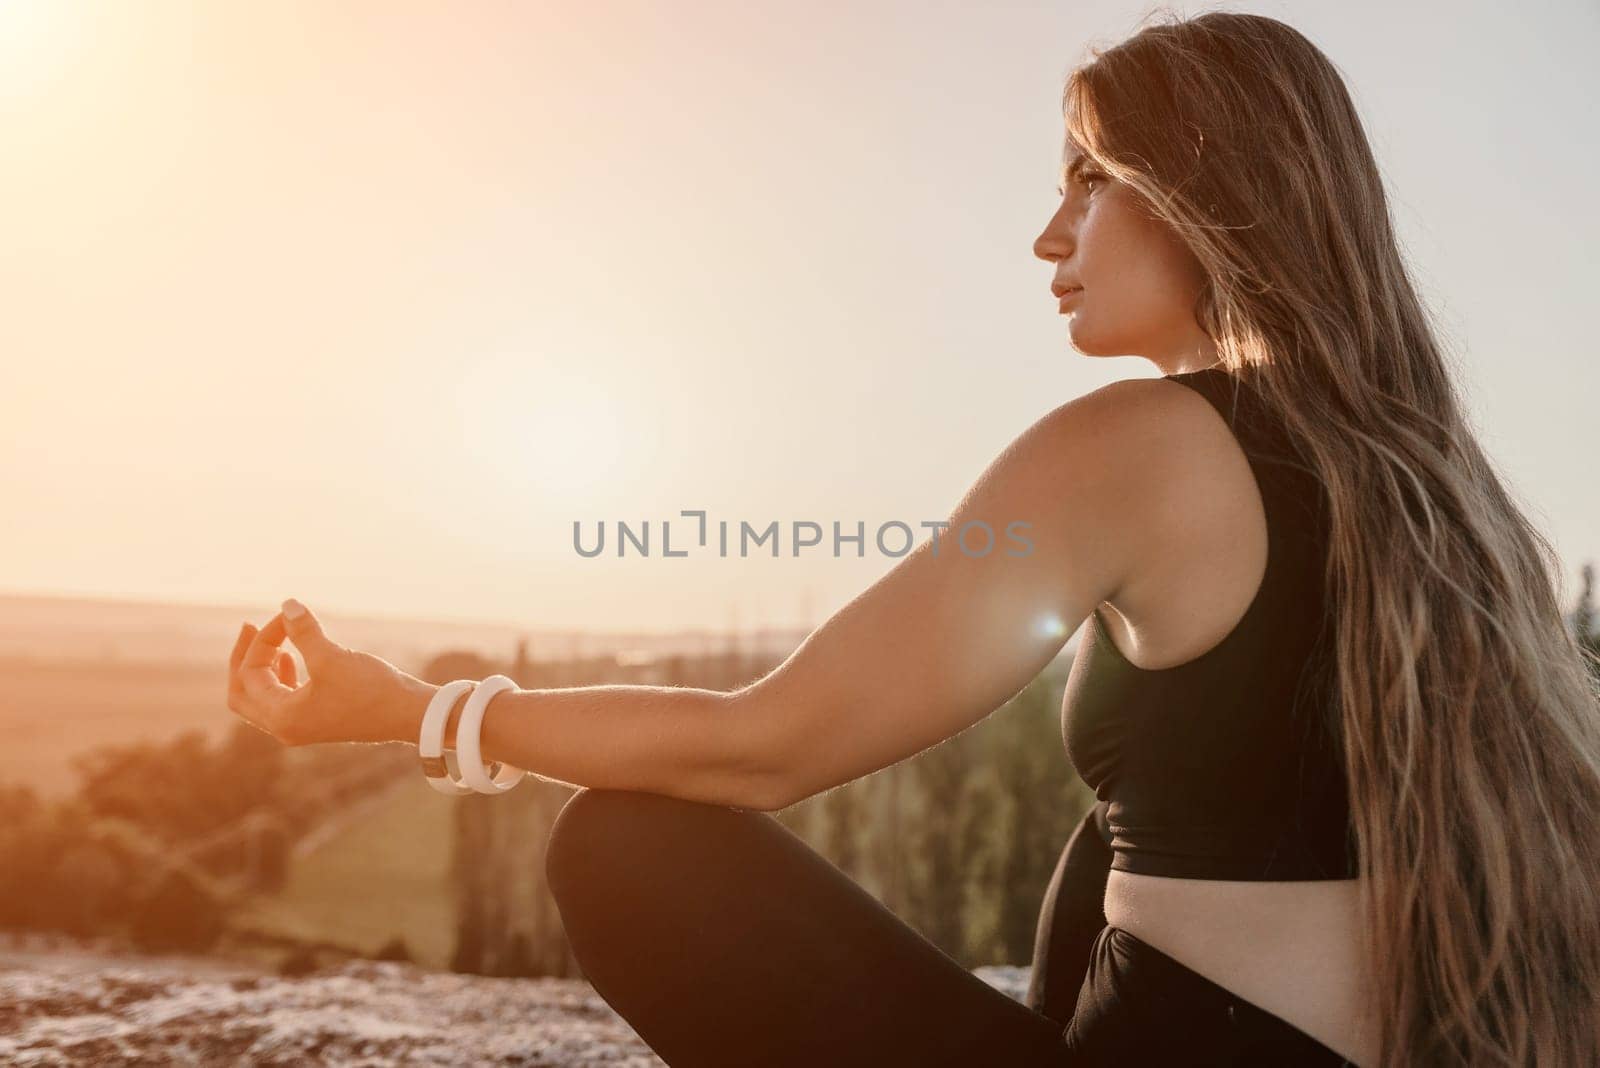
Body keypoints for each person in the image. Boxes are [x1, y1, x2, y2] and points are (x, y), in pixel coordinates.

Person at [227, 10, 1600, 1067]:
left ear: (1208, 199)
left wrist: (411, 711)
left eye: (1090, 180)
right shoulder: (1438, 484)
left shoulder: (1139, 445)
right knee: (1106, 824)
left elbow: (763, 746)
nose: (1048, 234)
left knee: (625, 850)